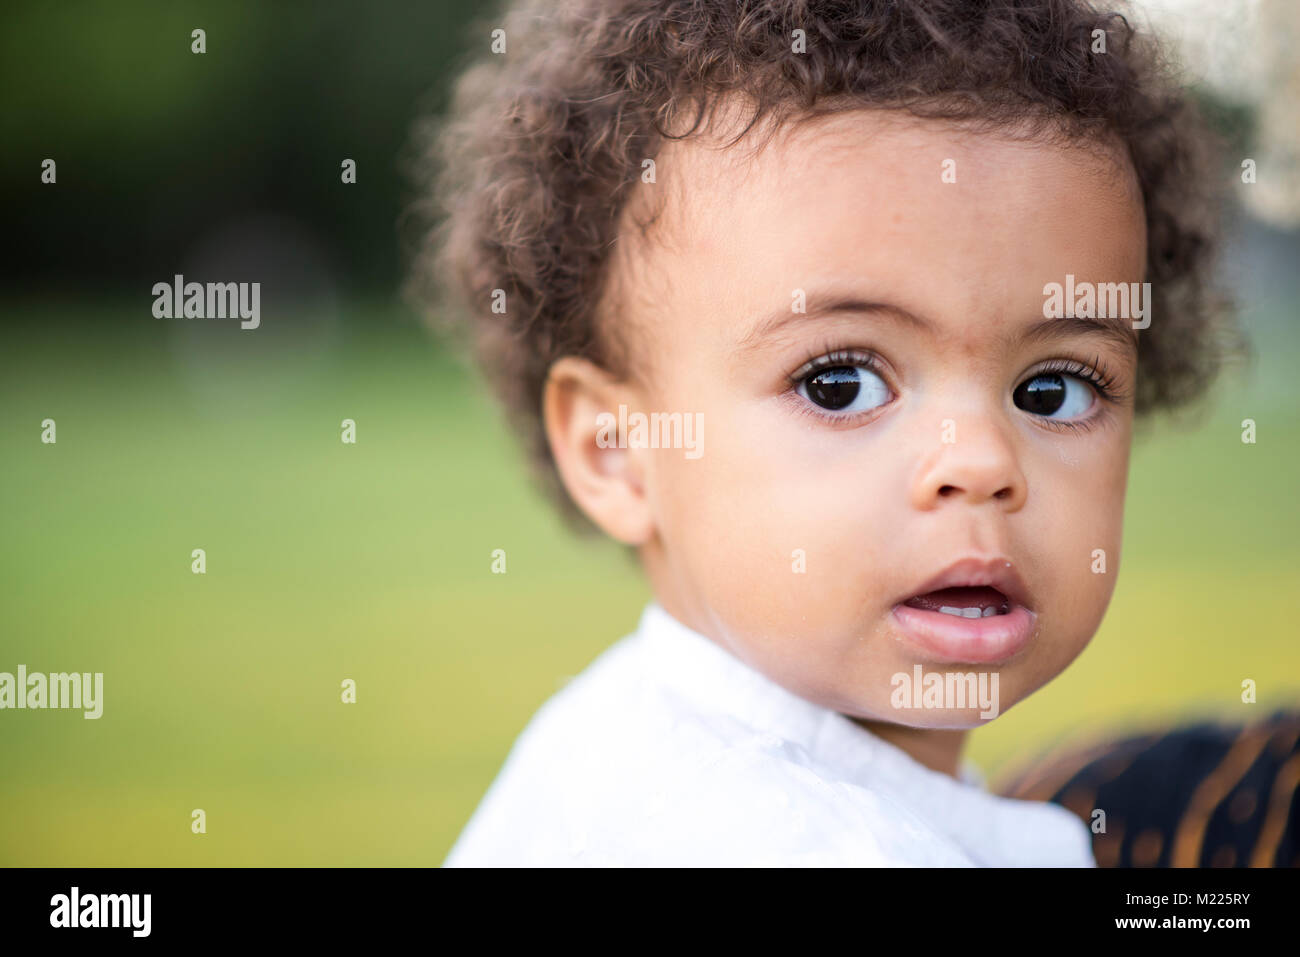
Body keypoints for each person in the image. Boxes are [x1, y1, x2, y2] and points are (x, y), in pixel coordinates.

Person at [411, 0, 1241, 865]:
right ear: (616, 450)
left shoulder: (607, 746)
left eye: (1053, 389)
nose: (983, 462)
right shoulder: (801, 843)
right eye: (839, 383)